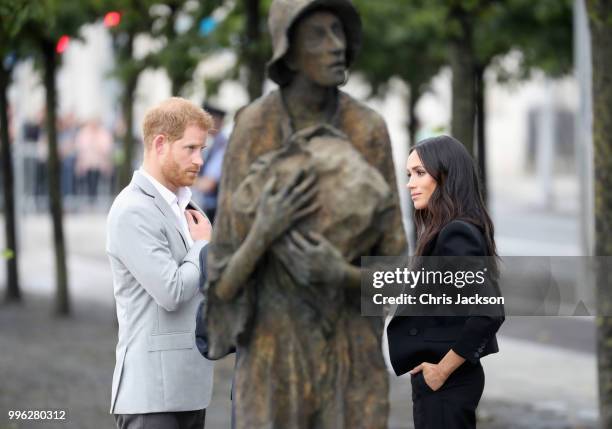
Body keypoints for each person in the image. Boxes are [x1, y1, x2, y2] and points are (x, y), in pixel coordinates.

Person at [199, 0, 406, 427]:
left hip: (351, 356)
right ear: (288, 52)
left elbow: (397, 274)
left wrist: (339, 273)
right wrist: (263, 233)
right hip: (274, 356)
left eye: (339, 32)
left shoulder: (368, 129)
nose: (336, 46)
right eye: (318, 35)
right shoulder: (254, 127)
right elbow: (221, 283)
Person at [106, 97, 215, 429]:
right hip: (151, 396)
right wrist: (201, 247)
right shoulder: (131, 209)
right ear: (160, 144)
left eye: (202, 149)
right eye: (190, 148)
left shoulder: (189, 207)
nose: (199, 160)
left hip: (190, 388)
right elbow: (171, 291)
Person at [385, 135, 504, 429]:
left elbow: (489, 311)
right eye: (409, 174)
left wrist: (441, 371)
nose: (410, 183)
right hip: (441, 383)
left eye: (420, 173)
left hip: (446, 382)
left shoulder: (456, 233)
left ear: (446, 177)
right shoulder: (446, 231)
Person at [194, 103, 228, 223]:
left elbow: (208, 184)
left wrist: (183, 178)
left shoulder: (223, 147)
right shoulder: (214, 144)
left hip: (216, 210)